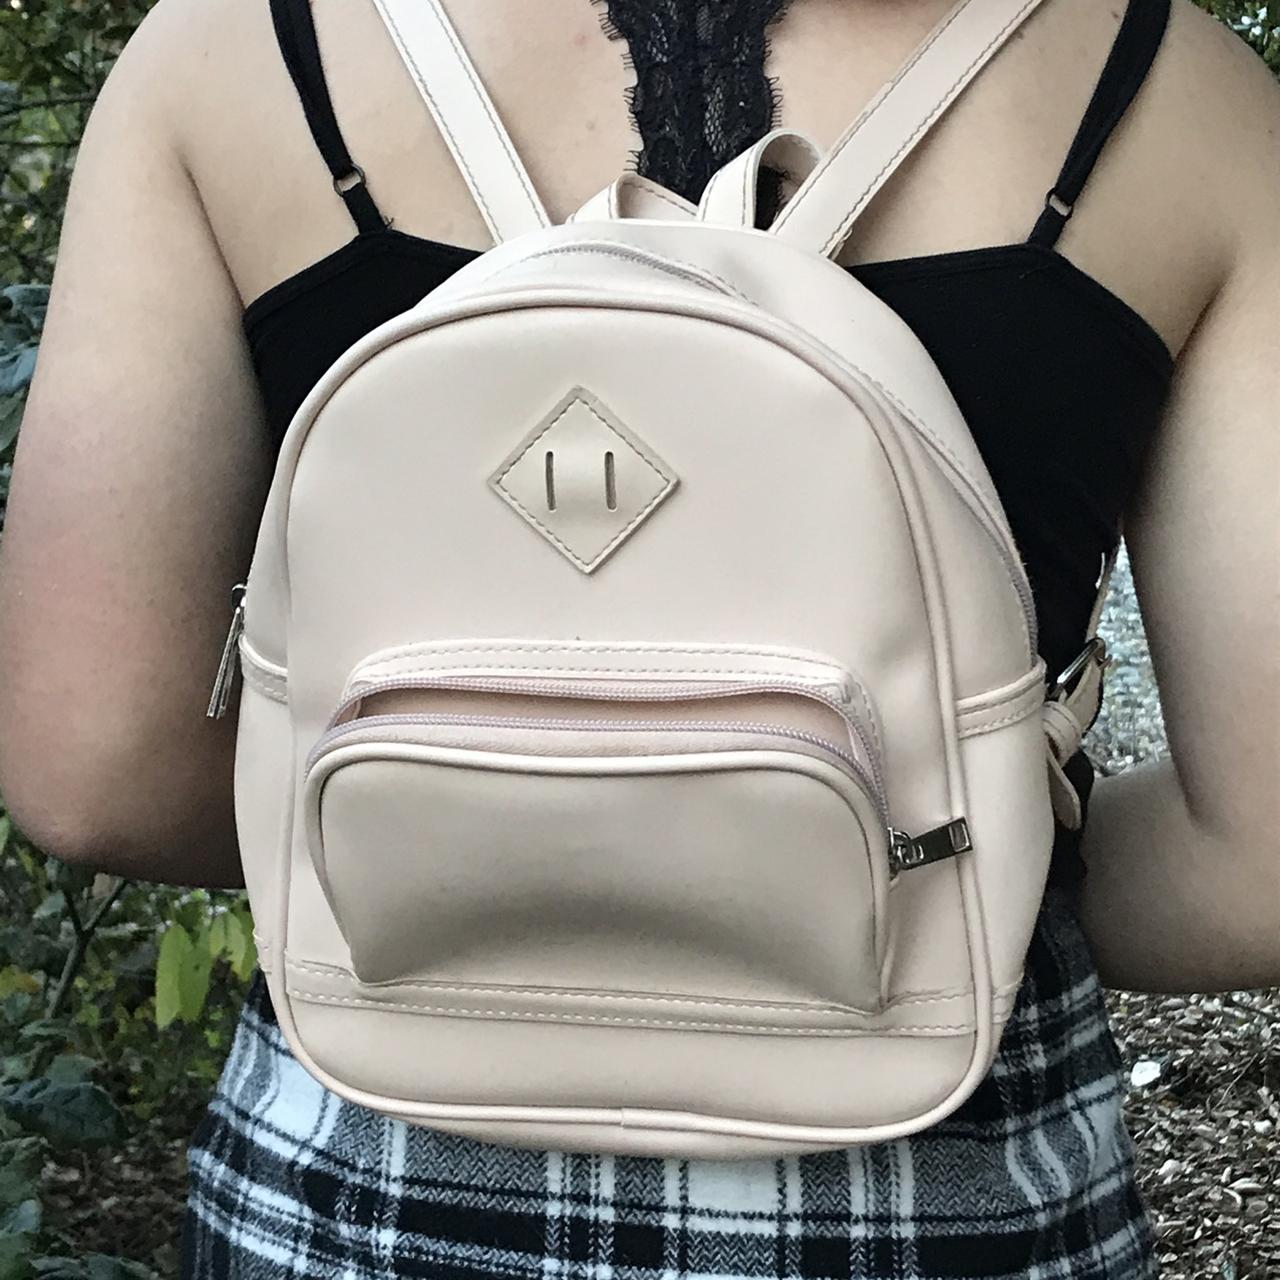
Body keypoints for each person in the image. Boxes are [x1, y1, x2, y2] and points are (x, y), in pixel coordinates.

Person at [0, 0, 1276, 1275]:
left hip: (365, 1182)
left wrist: (483, 842)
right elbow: (1256, 862)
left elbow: (92, 768)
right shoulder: (1176, 98)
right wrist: (912, 859)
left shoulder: (234, 53)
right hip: (948, 1190)